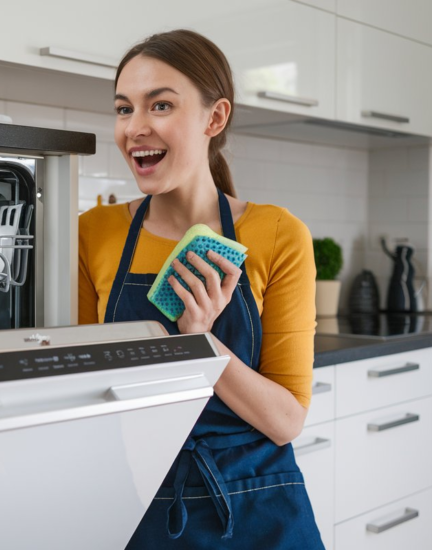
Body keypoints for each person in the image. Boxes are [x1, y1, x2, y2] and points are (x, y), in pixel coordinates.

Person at [78, 30, 324, 549]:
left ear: (215, 118)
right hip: (134, 504)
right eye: (124, 109)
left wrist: (200, 343)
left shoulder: (278, 234)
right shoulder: (94, 232)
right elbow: (82, 390)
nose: (135, 128)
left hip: (256, 504)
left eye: (160, 105)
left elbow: (285, 421)